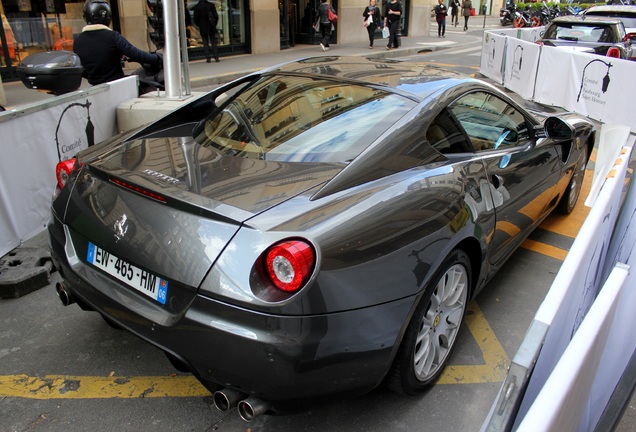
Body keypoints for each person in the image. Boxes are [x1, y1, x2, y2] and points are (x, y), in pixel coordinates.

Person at [73, 0, 162, 86]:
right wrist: (157, 58)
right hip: (118, 85)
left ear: (86, 17)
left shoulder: (78, 41)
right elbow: (136, 54)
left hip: (95, 87)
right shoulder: (113, 37)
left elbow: (81, 69)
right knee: (151, 84)